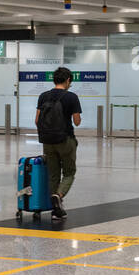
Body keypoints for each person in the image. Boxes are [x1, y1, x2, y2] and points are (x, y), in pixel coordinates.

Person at [35, 66, 82, 220]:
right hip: (65, 139)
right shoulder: (71, 97)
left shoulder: (43, 96)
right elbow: (77, 122)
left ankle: (56, 210)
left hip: (47, 141)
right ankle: (58, 195)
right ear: (68, 80)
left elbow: (37, 120)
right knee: (69, 173)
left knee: (53, 174)